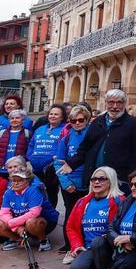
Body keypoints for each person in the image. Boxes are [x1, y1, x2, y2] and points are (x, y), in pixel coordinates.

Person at [72, 89, 136, 190]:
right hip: (95, 178)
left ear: (124, 104)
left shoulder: (134, 124)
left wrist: (133, 178)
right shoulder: (97, 122)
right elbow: (85, 147)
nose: (115, 106)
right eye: (111, 102)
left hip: (120, 181)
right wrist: (71, 164)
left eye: (119, 102)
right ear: (106, 103)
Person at [67, 166, 122, 269]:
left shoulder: (120, 201)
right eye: (94, 179)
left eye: (102, 179)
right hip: (89, 248)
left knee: (99, 242)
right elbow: (71, 227)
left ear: (111, 180)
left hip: (111, 247)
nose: (96, 182)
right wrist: (77, 245)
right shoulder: (82, 202)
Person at [0, 164, 59, 252]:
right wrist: (17, 227)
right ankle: (17, 239)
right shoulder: (9, 192)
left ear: (28, 181)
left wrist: (14, 223)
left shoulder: (33, 190)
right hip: (20, 223)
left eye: (20, 180)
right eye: (14, 180)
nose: (16, 183)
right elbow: (3, 213)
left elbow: (34, 213)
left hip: (44, 221)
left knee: (31, 222)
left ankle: (43, 240)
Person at [55, 105, 92, 254]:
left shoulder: (92, 135)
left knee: (87, 214)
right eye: (73, 120)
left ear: (87, 120)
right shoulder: (67, 138)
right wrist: (65, 183)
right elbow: (58, 162)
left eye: (80, 120)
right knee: (71, 214)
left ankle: (85, 242)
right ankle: (69, 243)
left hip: (89, 182)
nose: (77, 123)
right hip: (71, 183)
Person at [28, 104, 66, 207]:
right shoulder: (40, 129)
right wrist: (30, 157)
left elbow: (64, 146)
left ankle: (51, 221)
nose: (53, 116)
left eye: (56, 114)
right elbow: (31, 144)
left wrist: (56, 157)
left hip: (51, 169)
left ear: (62, 117)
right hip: (36, 168)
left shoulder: (65, 129)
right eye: (51, 114)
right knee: (36, 194)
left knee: (50, 195)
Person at [0, 109, 31, 175]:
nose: (14, 120)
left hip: (18, 171)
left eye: (17, 118)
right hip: (0, 169)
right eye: (12, 118)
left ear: (23, 120)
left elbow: (29, 152)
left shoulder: (27, 134)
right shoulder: (1, 133)